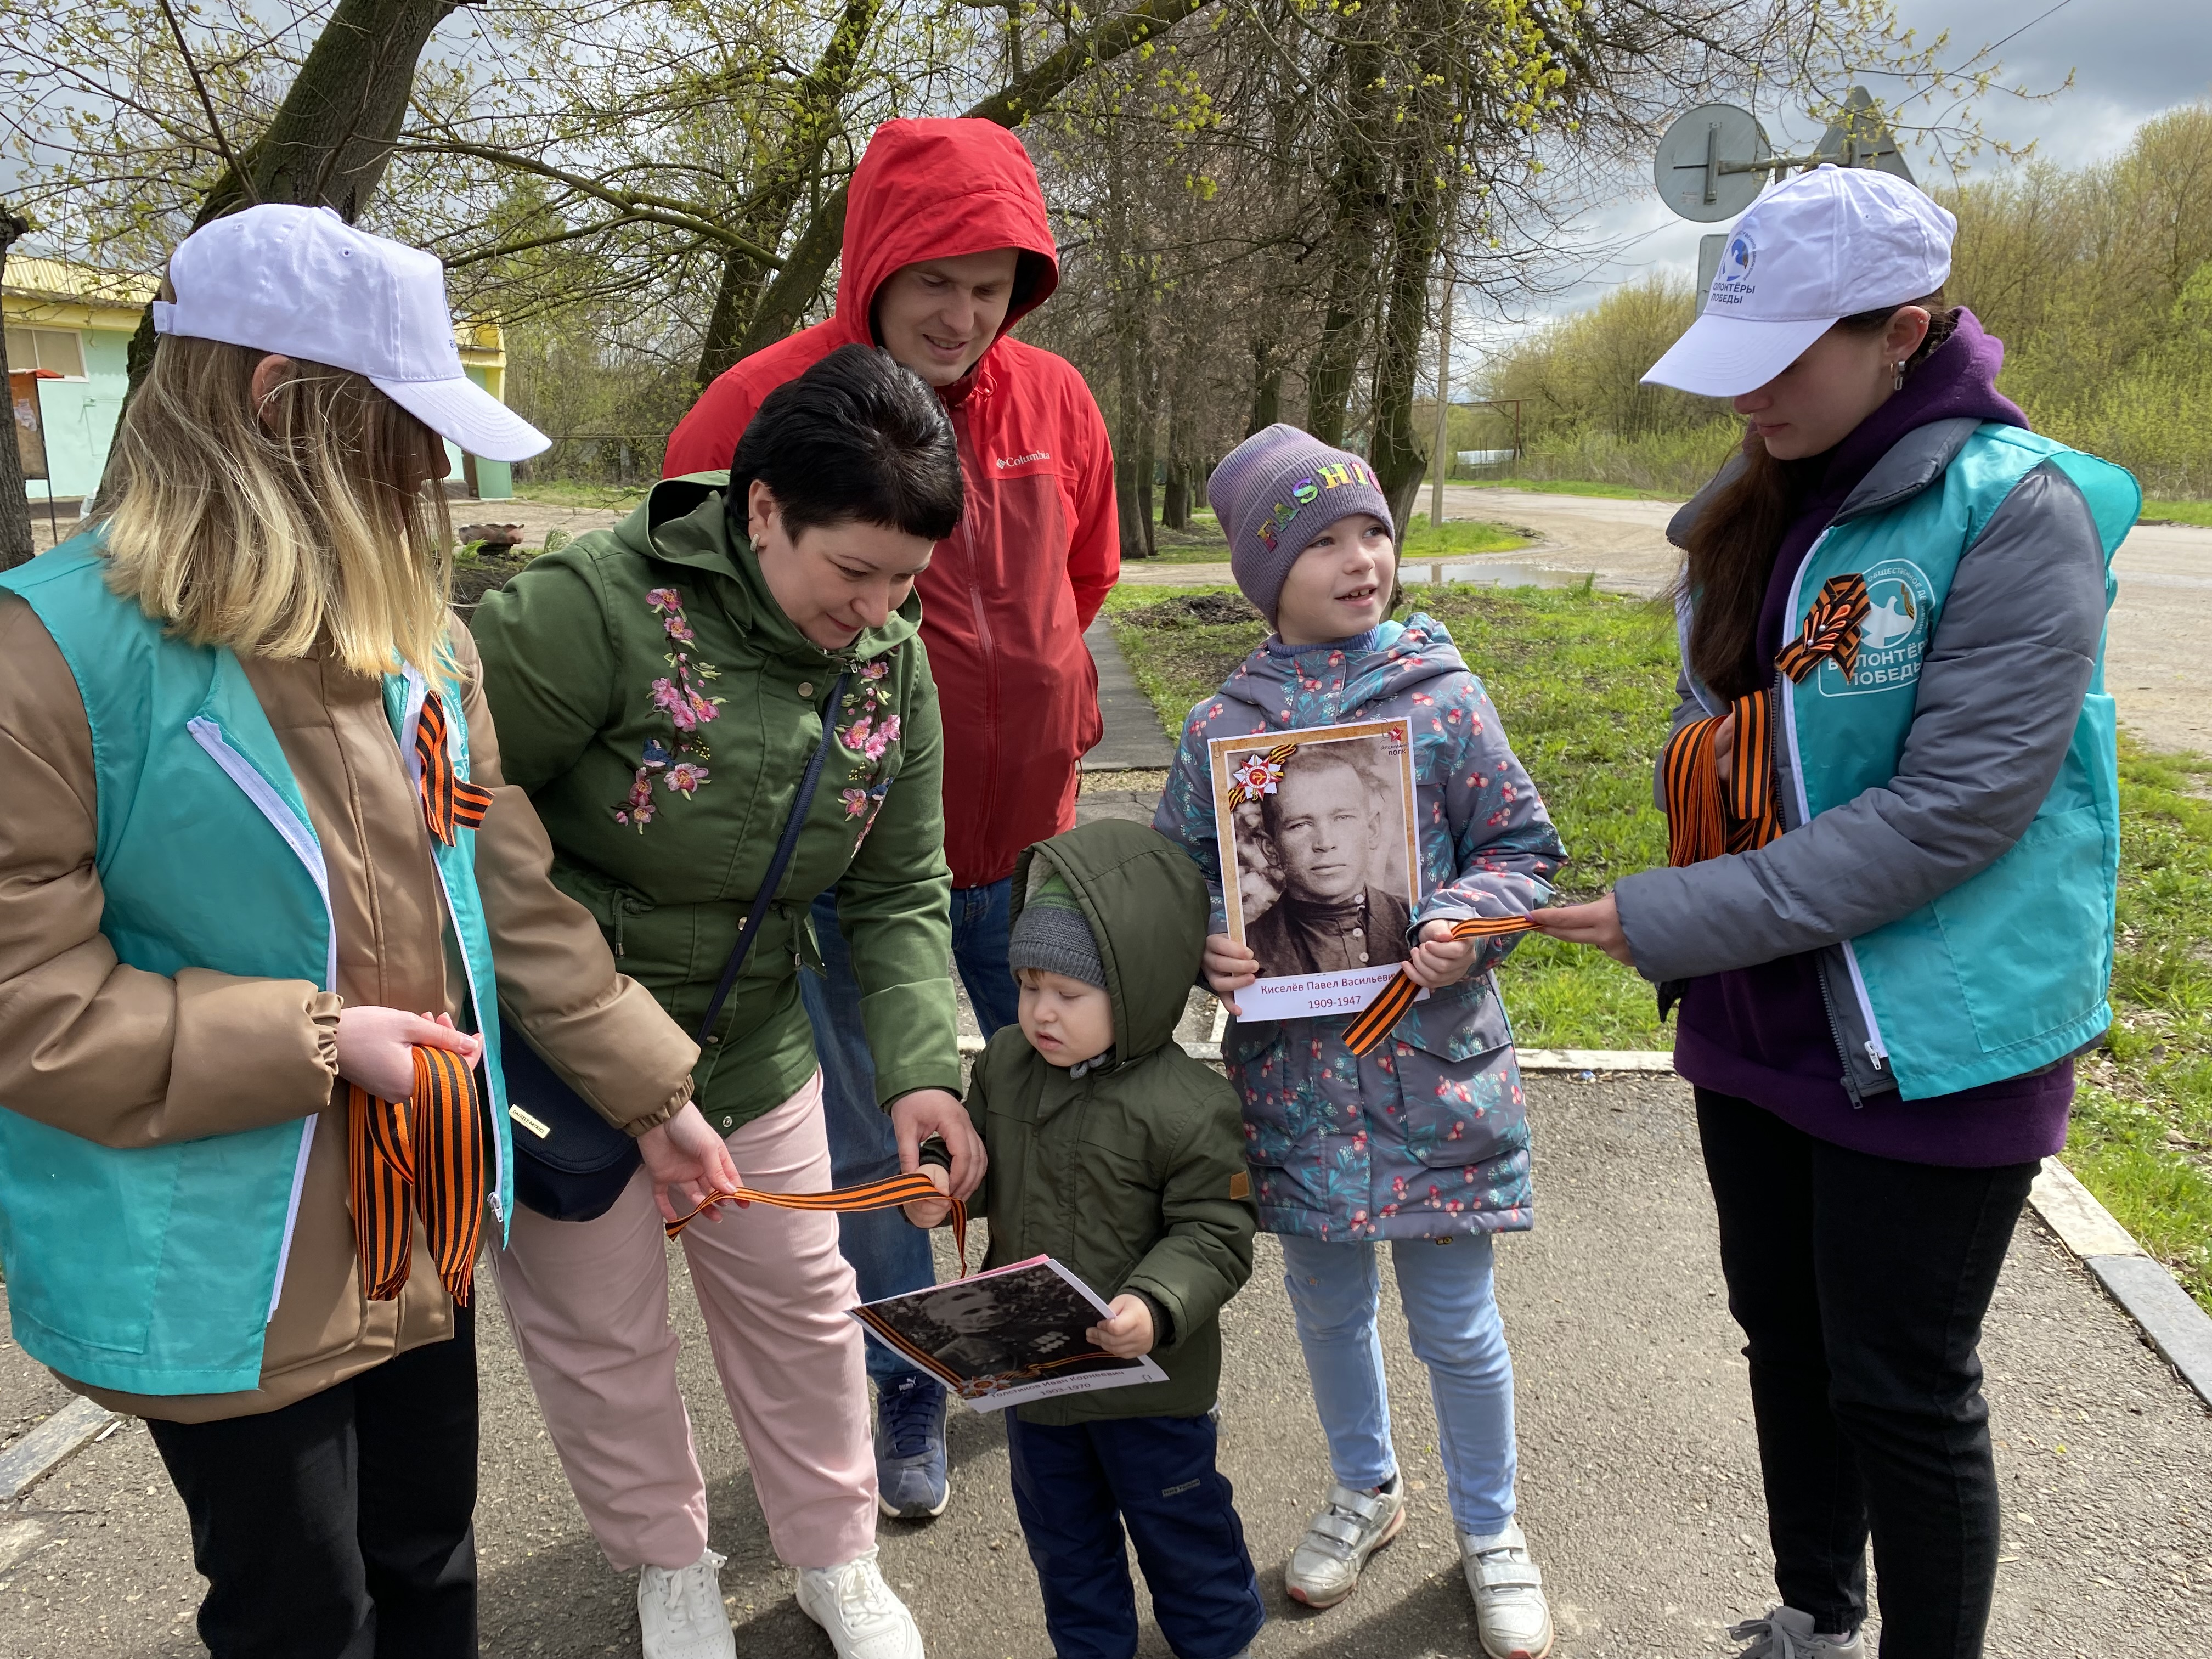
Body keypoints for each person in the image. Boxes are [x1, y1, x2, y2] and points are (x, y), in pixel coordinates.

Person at [0, 204, 703, 1658]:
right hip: (218, 1254)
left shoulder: (419, 639)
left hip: (416, 1216)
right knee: (301, 1608)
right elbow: (30, 1005)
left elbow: (503, 890)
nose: (437, 472)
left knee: (432, 1567)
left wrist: (659, 1094)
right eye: (407, 429)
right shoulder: (47, 656)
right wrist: (319, 1045)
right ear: (281, 405)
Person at [1531, 166, 2139, 1659]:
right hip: (1763, 1014)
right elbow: (1727, 734)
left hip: (1933, 1033)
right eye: (1733, 364)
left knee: (1904, 1385)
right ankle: (1814, 1614)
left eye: (1781, 363)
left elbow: (1952, 815)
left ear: (1902, 333)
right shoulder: (1762, 502)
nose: (1746, 401)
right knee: (1790, 1349)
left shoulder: (2018, 512)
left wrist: (1679, 914)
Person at [470, 343, 983, 1659]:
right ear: (762, 511)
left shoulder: (892, 661)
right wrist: (615, 1056)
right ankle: (667, 1563)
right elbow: (459, 816)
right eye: (851, 572)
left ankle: (835, 1555)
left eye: (906, 580)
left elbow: (902, 884)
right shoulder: (589, 609)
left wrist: (925, 1067)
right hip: (566, 1051)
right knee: (601, 1335)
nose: (876, 611)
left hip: (754, 1045)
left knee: (807, 1313)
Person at [663, 116, 1119, 1516]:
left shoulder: (1056, 403)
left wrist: (1033, 702)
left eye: (992, 288)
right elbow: (677, 631)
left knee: (1062, 1113)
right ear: (874, 260)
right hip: (851, 878)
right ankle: (910, 1389)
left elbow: (1086, 584)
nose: (961, 315)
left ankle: (1063, 1357)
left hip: (1035, 847)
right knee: (881, 1153)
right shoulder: (758, 404)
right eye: (935, 279)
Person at [1154, 426, 1567, 1659]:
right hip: (1295, 1088)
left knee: (1457, 1321)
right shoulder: (1219, 726)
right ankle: (1365, 1491)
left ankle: (1492, 1530)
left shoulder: (1445, 697)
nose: (1358, 558)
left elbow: (1522, 851)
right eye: (1321, 539)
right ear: (1261, 569)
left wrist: (1464, 920)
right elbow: (1181, 882)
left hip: (1434, 1081)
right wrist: (1205, 948)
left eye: (1373, 532)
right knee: (1327, 1310)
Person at [902, 819, 1264, 1659]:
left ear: (1138, 986)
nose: (1040, 1012)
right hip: (1039, 1378)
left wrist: (1156, 1302)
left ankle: (1218, 1638)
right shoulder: (1002, 1066)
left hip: (1152, 1385)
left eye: (1069, 993)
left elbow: (1218, 1229)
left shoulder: (1191, 1107)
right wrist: (939, 1185)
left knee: (1183, 1527)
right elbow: (978, 1163)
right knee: (1065, 1543)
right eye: (1028, 986)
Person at [1243, 746, 1415, 975]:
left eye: (1342, 818)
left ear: (1372, 830)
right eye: (1300, 825)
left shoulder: (1417, 921)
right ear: (1271, 849)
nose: (1325, 842)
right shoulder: (1247, 949)